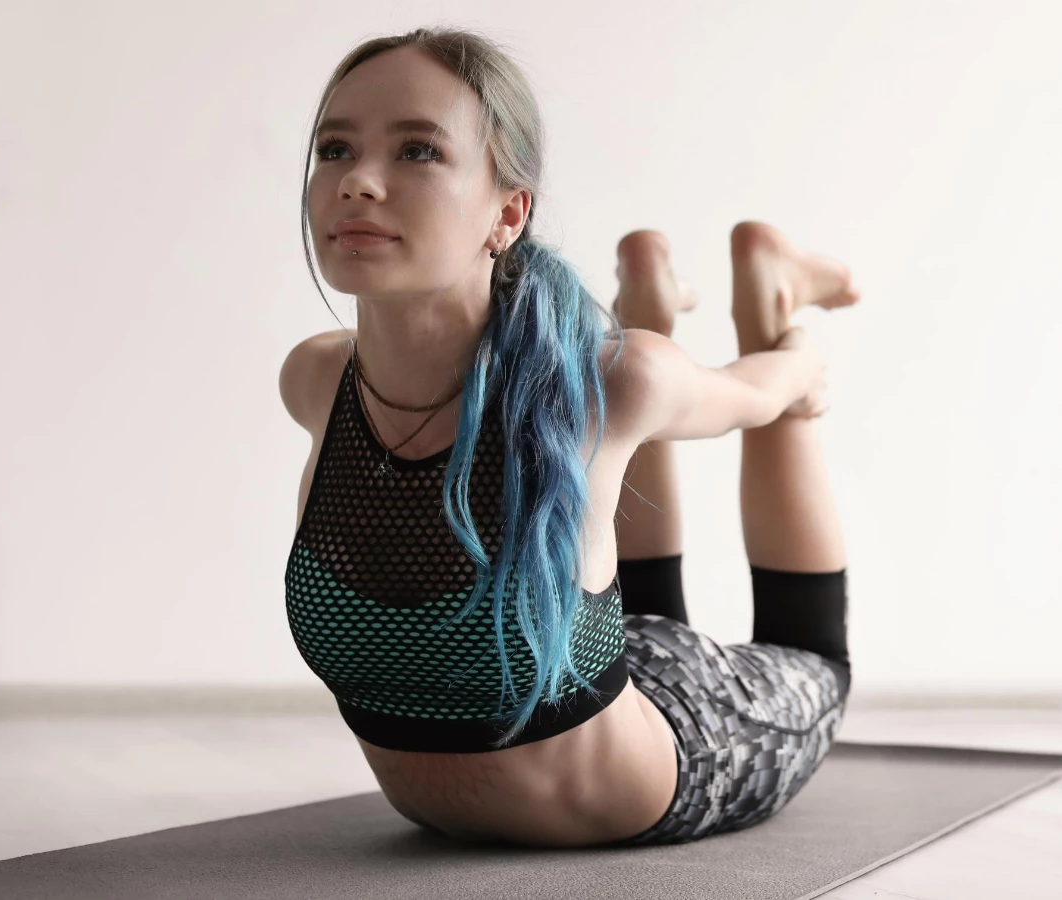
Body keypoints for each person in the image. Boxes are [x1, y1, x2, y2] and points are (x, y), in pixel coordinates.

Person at [279, 26, 862, 848]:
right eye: (335, 149)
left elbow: (745, 398)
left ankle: (768, 290)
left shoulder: (610, 383)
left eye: (417, 152)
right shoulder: (316, 382)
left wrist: (794, 368)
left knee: (812, 664)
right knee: (607, 432)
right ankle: (651, 293)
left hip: (680, 745)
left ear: (507, 213)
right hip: (604, 656)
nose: (358, 183)